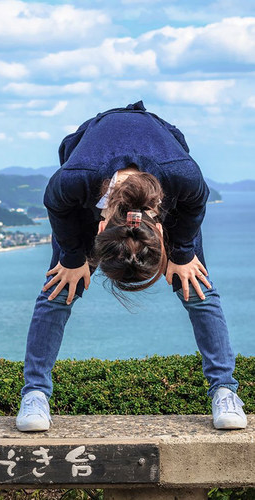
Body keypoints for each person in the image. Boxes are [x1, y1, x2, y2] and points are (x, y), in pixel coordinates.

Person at [15, 101, 247, 432]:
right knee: (60, 287)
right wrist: (71, 257)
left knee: (195, 284)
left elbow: (197, 202)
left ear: (162, 230)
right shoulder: (74, 182)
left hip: (161, 185)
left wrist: (181, 254)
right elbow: (55, 202)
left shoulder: (183, 177)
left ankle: (225, 390)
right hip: (94, 181)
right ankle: (35, 394)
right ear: (97, 228)